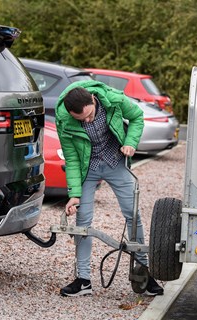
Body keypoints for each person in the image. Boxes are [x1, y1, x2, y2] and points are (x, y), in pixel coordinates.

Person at [55, 80, 164, 297]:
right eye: (81, 119)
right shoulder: (64, 121)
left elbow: (137, 117)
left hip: (116, 161)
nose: (87, 120)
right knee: (82, 222)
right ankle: (83, 280)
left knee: (133, 216)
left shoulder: (112, 98)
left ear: (93, 100)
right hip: (88, 168)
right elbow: (72, 158)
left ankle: (144, 274)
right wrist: (74, 195)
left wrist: (131, 143)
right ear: (70, 114)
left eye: (89, 115)